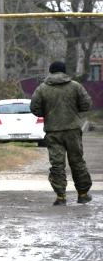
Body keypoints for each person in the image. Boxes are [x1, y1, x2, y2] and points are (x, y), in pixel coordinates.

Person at [30, 61, 93, 206]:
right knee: (77, 161)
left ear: (51, 72)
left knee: (57, 164)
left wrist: (47, 113)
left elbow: (34, 108)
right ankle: (83, 194)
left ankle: (61, 197)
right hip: (72, 130)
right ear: (64, 72)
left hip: (53, 132)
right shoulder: (75, 86)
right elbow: (87, 104)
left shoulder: (42, 88)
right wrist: (74, 111)